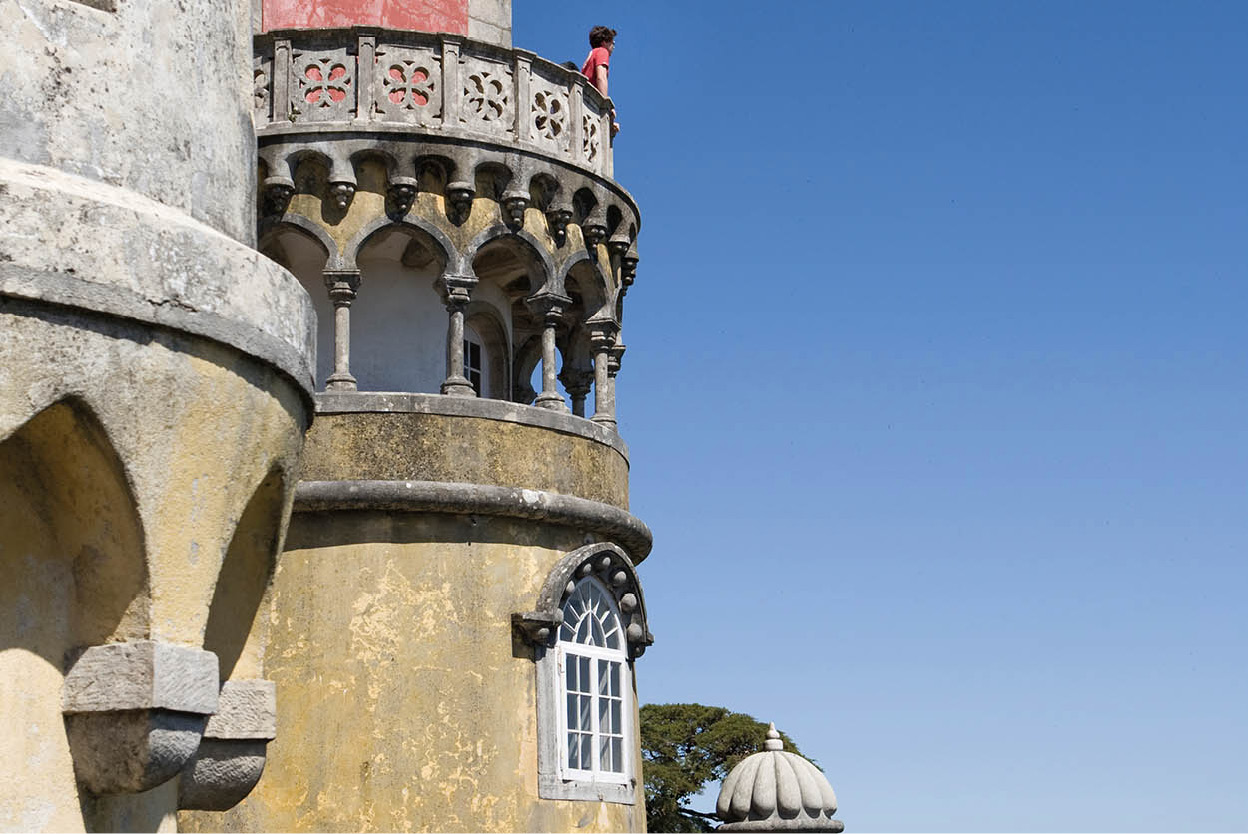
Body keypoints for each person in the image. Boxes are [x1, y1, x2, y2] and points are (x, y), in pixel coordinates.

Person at [581, 25, 620, 136]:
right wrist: (606, 106)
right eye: (612, 41)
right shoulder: (602, 52)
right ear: (604, 42)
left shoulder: (592, 53)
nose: (614, 45)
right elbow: (601, 77)